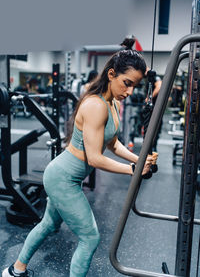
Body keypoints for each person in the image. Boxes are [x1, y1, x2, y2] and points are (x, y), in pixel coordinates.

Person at [2, 38, 158, 277]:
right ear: (111, 74)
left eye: (134, 86)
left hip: (67, 177)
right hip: (62, 178)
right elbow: (95, 159)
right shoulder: (95, 106)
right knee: (89, 237)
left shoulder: (112, 103)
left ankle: (15, 269)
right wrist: (133, 170)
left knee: (48, 225)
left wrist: (137, 159)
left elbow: (113, 143)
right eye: (127, 83)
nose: (130, 91)